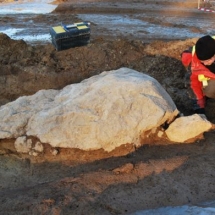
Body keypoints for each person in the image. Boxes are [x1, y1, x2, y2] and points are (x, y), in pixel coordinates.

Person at [181, 35, 215, 114]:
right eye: (202, 61)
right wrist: (200, 106)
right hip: (211, 83)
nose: (205, 63)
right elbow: (193, 84)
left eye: (207, 60)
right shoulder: (193, 62)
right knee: (210, 91)